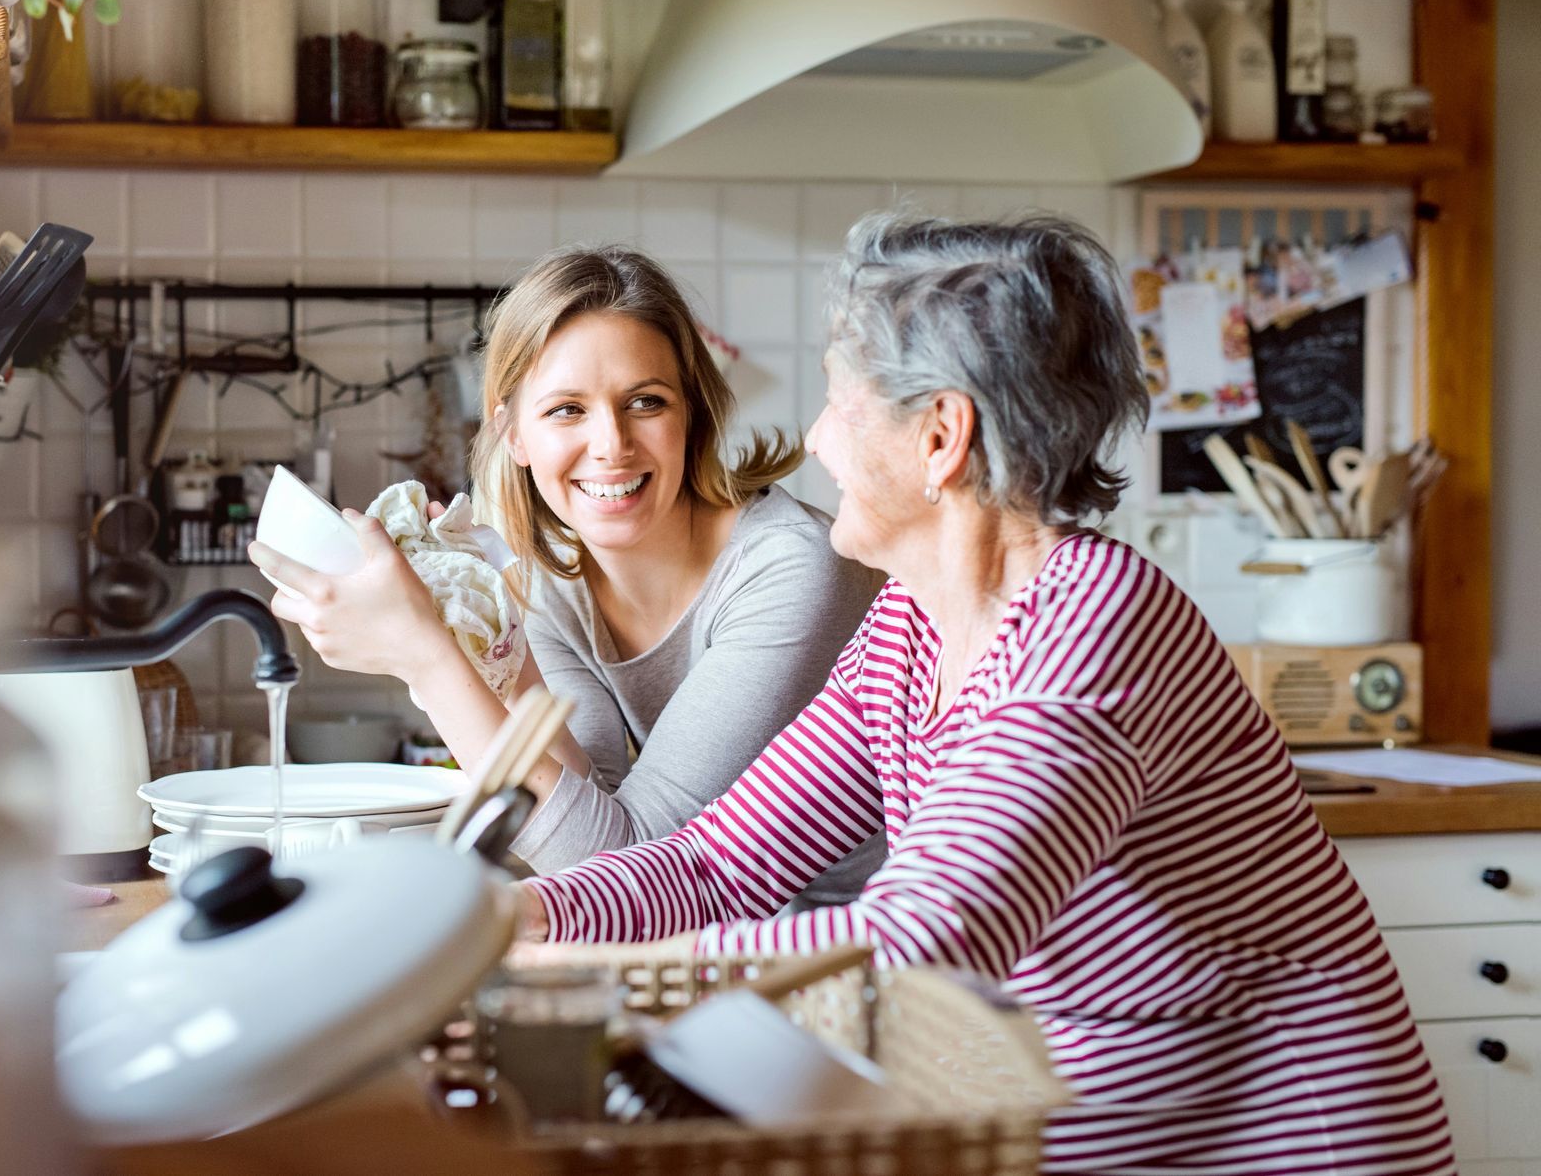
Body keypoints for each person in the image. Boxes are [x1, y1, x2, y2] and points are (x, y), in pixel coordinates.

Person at [515, 215, 1454, 1176]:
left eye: (840, 401)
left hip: (1280, 1142)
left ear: (939, 437)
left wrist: (592, 981)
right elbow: (718, 866)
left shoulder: (1094, 623)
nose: (813, 438)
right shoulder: (910, 625)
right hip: (1083, 1117)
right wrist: (520, 924)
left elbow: (925, 939)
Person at [250, 245, 886, 905]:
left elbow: (627, 867)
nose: (612, 444)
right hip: (720, 942)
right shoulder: (552, 579)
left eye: (645, 402)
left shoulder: (791, 568)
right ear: (514, 434)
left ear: (691, 414)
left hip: (863, 955)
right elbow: (580, 809)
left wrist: (429, 662)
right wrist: (483, 635)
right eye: (566, 409)